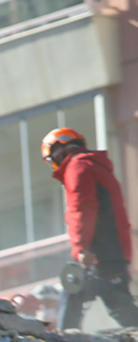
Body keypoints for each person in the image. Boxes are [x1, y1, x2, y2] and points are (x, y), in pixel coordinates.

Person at [42, 128, 138, 330]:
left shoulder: (78, 167)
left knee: (119, 307)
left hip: (101, 252)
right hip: (113, 249)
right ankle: (66, 341)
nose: (54, 163)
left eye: (52, 158)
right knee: (73, 291)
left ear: (59, 150)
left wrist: (81, 248)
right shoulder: (95, 166)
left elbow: (82, 209)